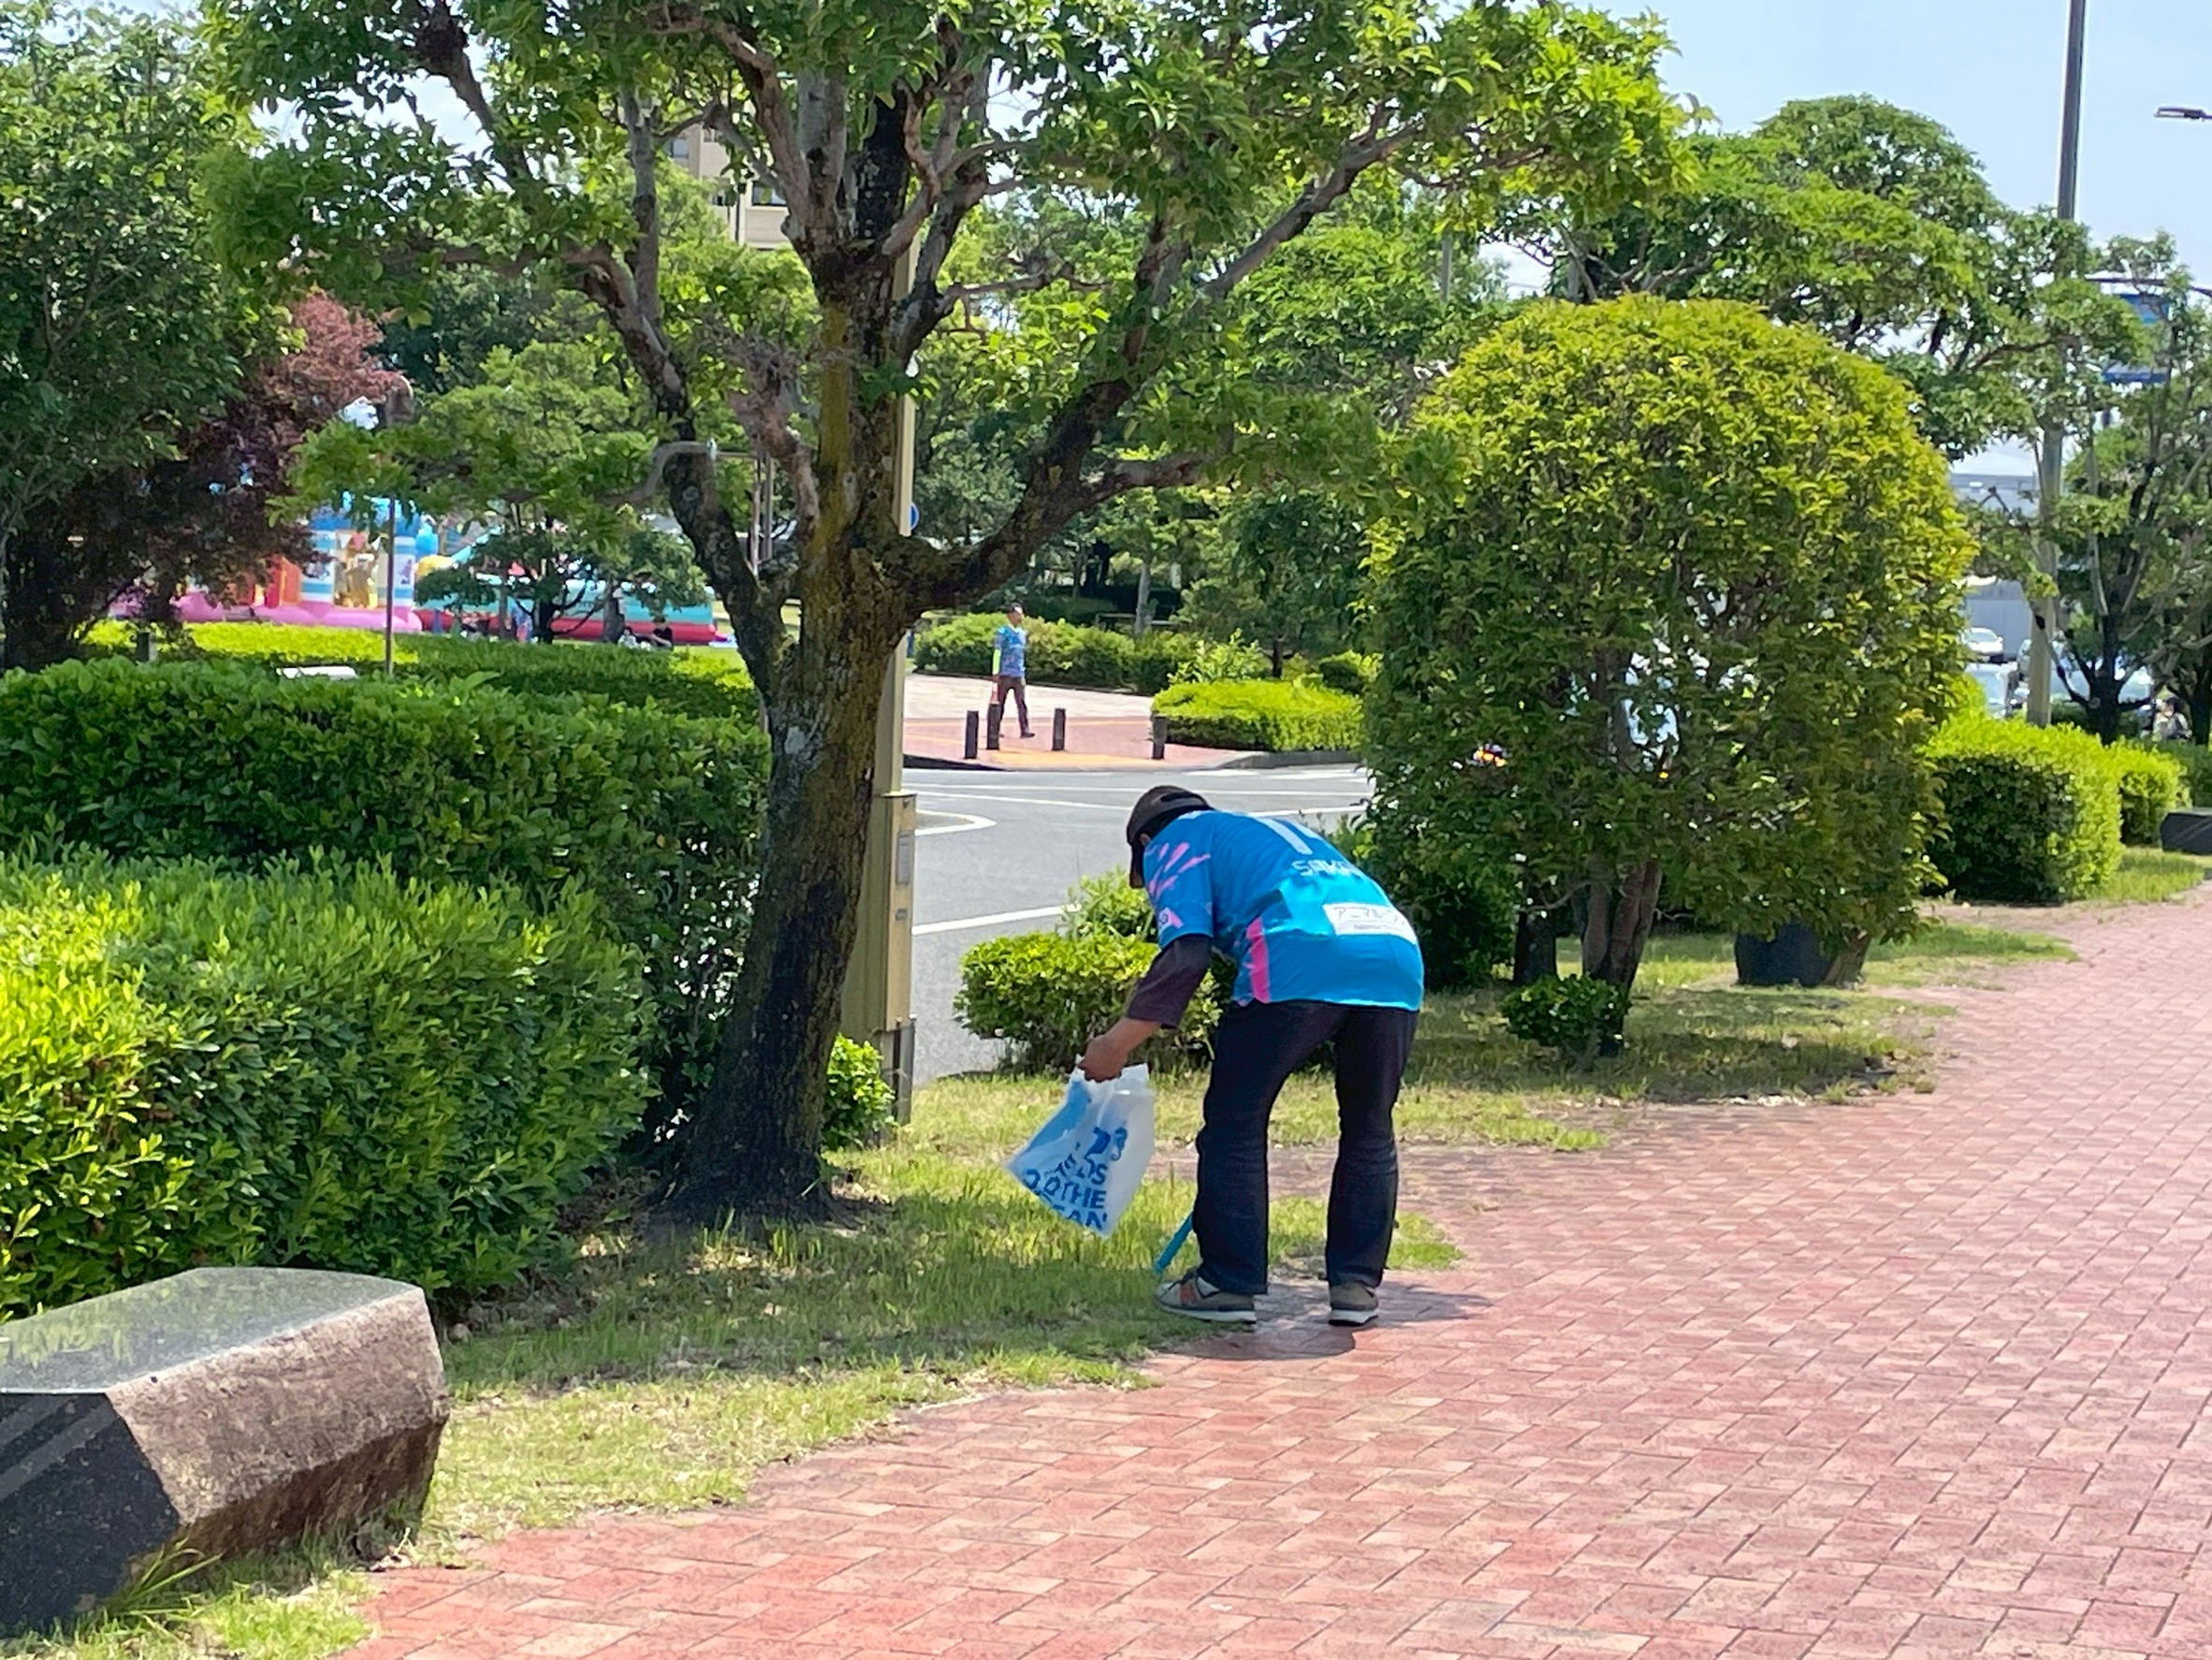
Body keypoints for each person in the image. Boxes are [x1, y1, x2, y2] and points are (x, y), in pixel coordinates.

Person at [1080, 786, 1424, 1329]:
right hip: (1394, 955)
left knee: (1235, 1122)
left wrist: (1116, 1043)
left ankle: (1226, 1283)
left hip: (1299, 950)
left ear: (1144, 842)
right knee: (1369, 1125)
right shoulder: (1263, 835)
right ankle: (1355, 1286)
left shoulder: (1174, 841)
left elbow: (1186, 952)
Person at [991, 604, 1035, 739]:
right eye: (1017, 614)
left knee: (1021, 703)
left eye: (1021, 614)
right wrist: (995, 671)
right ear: (1010, 615)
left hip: (1018, 673)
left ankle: (1024, 729)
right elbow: (997, 651)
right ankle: (994, 729)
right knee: (1000, 702)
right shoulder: (1003, 632)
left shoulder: (1022, 633)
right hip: (1005, 673)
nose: (1020, 617)